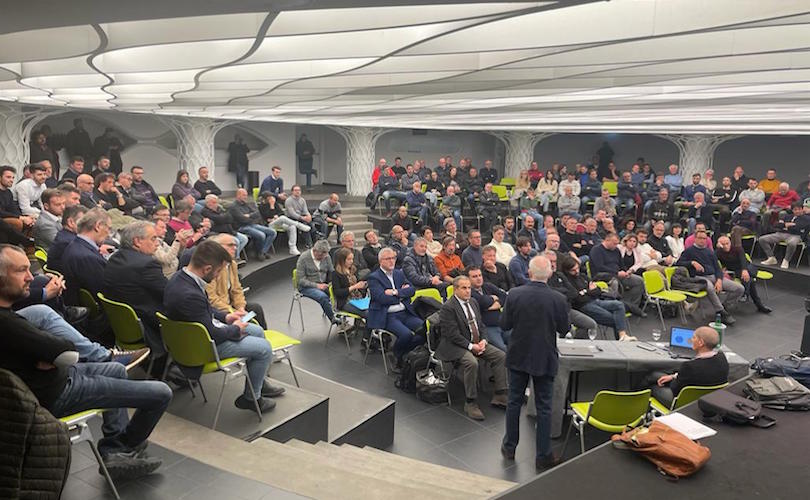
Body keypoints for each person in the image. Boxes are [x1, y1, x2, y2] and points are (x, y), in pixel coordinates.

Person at [0, 243, 171, 480]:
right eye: (21, 271)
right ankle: (123, 445)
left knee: (116, 369)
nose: (30, 277)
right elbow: (68, 353)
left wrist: (48, 355)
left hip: (58, 376)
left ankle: (114, 451)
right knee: (161, 393)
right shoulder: (9, 324)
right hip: (55, 393)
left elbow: (57, 353)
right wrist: (52, 353)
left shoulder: (12, 318)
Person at [164, 240, 282, 413]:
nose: (218, 276)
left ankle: (257, 383)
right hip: (201, 347)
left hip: (197, 336)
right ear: (207, 269)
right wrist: (235, 329)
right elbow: (214, 334)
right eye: (218, 271)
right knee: (264, 349)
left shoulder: (180, 278)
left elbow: (204, 310)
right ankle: (251, 398)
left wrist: (226, 316)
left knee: (256, 330)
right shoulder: (189, 294)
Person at [500, 255, 569, 470]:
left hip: (518, 354)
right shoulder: (558, 299)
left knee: (513, 402)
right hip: (544, 356)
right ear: (549, 273)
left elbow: (504, 324)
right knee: (544, 407)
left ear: (529, 273)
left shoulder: (514, 294)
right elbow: (564, 328)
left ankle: (509, 447)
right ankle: (543, 455)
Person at [436, 275, 507, 420]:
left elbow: (481, 325)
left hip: (476, 342)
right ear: (455, 289)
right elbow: (452, 334)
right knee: (471, 362)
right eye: (464, 288)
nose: (468, 291)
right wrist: (471, 346)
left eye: (469, 288)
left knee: (500, 356)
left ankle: (500, 394)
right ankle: (470, 402)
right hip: (456, 345)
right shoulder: (448, 308)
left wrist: (484, 340)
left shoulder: (473, 302)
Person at [102, 221, 168, 373]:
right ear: (137, 241)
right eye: (153, 238)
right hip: (148, 326)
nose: (157, 243)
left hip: (123, 326)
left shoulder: (114, 258)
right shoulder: (147, 264)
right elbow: (169, 293)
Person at [367, 247, 425, 368]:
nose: (392, 261)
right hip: (387, 315)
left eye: (393, 258)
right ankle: (397, 354)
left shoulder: (399, 273)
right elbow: (382, 298)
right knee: (406, 335)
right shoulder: (374, 277)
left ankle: (404, 352)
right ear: (381, 261)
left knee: (425, 330)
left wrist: (395, 292)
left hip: (405, 312)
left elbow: (412, 290)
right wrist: (402, 294)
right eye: (388, 259)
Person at [644, 327, 728, 408]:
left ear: (700, 343)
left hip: (682, 402)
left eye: (694, 337)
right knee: (655, 375)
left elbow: (675, 387)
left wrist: (672, 379)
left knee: (652, 386)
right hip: (709, 400)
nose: (691, 340)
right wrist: (673, 376)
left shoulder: (690, 366)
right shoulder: (722, 358)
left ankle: (641, 404)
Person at [676, 230, 744, 325]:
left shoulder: (710, 252)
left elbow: (717, 268)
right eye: (700, 238)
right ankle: (721, 312)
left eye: (704, 238)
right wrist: (692, 263)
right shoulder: (689, 251)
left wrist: (719, 280)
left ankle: (724, 305)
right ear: (695, 239)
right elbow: (678, 263)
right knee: (710, 287)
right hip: (698, 278)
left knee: (739, 288)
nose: (702, 240)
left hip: (713, 276)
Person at [559, 256, 635, 341]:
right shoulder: (567, 281)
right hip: (584, 306)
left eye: (577, 268)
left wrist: (585, 291)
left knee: (619, 305)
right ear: (567, 270)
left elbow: (598, 290)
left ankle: (622, 335)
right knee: (616, 319)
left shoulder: (582, 276)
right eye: (573, 270)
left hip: (595, 300)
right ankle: (622, 338)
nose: (577, 271)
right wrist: (589, 291)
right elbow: (577, 298)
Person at [208, 233, 267, 328]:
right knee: (250, 325)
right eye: (230, 245)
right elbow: (212, 299)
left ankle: (264, 334)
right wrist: (233, 311)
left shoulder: (232, 264)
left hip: (232, 306)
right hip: (220, 312)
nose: (235, 248)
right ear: (218, 247)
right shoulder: (212, 268)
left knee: (255, 309)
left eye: (235, 245)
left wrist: (241, 307)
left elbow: (237, 289)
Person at [60, 208, 110, 305]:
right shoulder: (88, 258)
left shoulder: (74, 245)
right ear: (98, 226)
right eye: (108, 228)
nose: (108, 233)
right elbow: (104, 293)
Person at [588, 233, 645, 315]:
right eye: (614, 243)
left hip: (618, 273)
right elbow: (599, 267)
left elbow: (621, 264)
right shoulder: (596, 250)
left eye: (617, 243)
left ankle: (631, 306)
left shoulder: (616, 250)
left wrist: (626, 272)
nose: (616, 245)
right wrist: (617, 273)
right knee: (614, 282)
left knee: (639, 281)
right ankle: (616, 307)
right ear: (607, 240)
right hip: (602, 275)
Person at [715, 235, 771, 314]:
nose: (726, 246)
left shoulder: (738, 249)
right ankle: (758, 304)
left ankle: (746, 294)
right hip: (735, 270)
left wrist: (744, 270)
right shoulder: (719, 252)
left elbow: (743, 260)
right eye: (723, 244)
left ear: (730, 243)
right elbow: (712, 258)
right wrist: (718, 249)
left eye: (727, 243)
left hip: (746, 266)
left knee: (747, 274)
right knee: (750, 280)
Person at [467, 266, 511, 352]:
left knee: (519, 342)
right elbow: (483, 302)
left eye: (480, 275)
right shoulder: (468, 292)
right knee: (503, 350)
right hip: (488, 328)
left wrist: (495, 305)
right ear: (468, 279)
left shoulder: (487, 286)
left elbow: (505, 296)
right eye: (474, 276)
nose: (479, 278)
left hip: (502, 324)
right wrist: (493, 298)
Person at [295, 239, 338, 324]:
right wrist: (317, 286)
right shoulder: (303, 258)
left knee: (339, 291)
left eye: (325, 254)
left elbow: (332, 271)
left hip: (324, 284)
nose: (324, 257)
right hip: (307, 287)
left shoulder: (326, 256)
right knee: (322, 297)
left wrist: (332, 282)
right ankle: (333, 318)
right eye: (321, 255)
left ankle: (341, 316)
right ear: (315, 251)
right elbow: (300, 280)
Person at [759, 201, 810, 269]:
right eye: (795, 209)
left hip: (796, 235)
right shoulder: (787, 216)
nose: (797, 211)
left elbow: (800, 227)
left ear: (802, 209)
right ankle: (771, 257)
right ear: (792, 210)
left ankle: (786, 260)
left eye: (799, 209)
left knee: (792, 243)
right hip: (781, 234)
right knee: (762, 239)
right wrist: (788, 225)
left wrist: (786, 225)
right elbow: (776, 225)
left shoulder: (807, 218)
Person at [229, 188, 276, 261]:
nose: (246, 197)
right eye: (244, 195)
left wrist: (249, 215)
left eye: (246, 195)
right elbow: (242, 219)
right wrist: (252, 217)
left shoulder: (246, 204)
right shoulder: (233, 207)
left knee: (272, 232)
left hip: (251, 224)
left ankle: (263, 251)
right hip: (241, 227)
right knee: (261, 235)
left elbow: (257, 213)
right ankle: (259, 253)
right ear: (238, 195)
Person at [332, 247, 368, 334]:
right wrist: (354, 287)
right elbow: (338, 292)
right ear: (342, 260)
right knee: (368, 313)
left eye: (352, 259)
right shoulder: (336, 274)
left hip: (357, 299)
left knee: (376, 309)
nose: (351, 261)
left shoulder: (352, 270)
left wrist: (363, 285)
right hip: (345, 301)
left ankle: (363, 329)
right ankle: (368, 336)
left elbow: (356, 285)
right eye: (349, 259)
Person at [46, 205, 87, 272]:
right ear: (71, 222)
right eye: (84, 222)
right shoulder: (68, 243)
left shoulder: (64, 235)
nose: (88, 226)